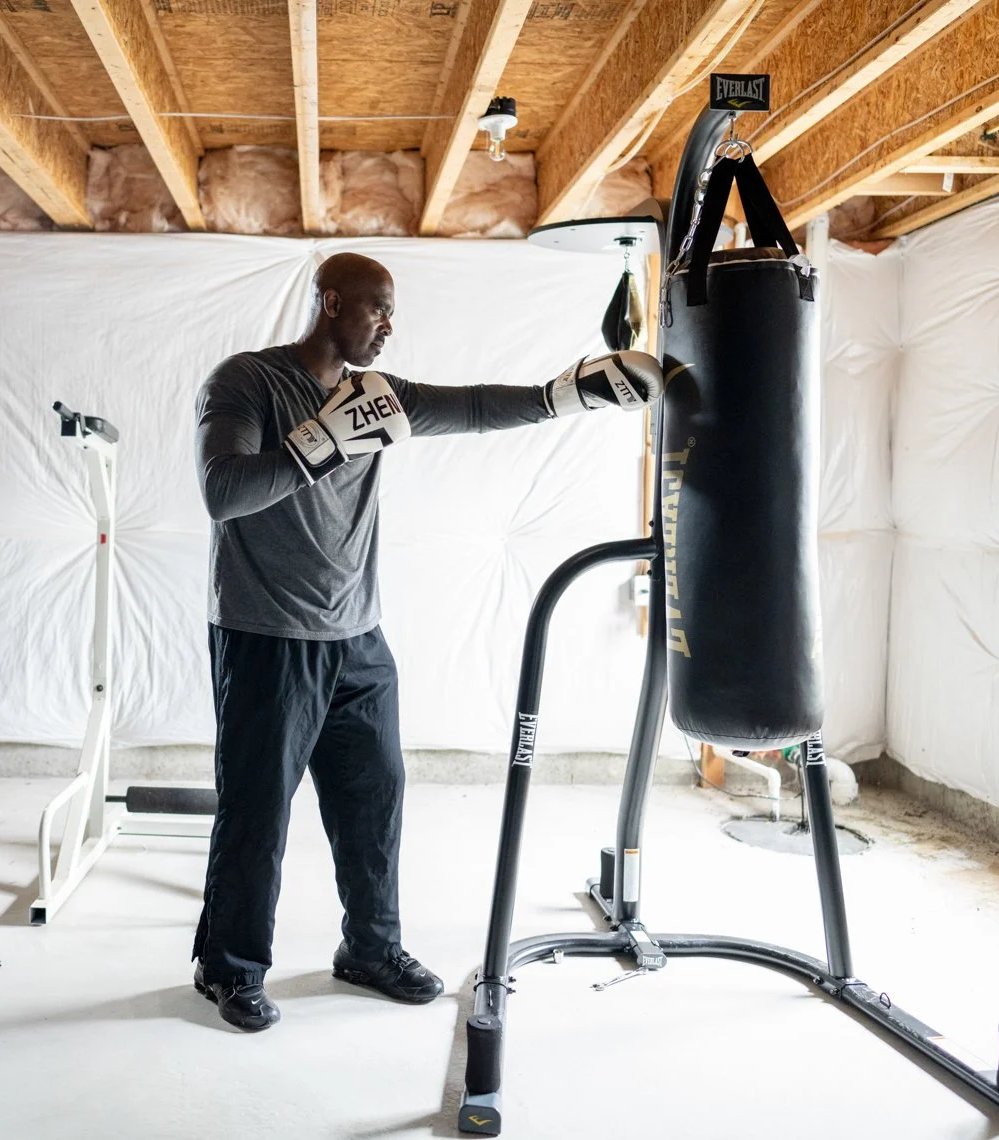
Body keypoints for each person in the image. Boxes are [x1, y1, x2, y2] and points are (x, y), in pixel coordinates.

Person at [191, 251, 661, 1031]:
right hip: (266, 632)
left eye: (392, 312)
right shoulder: (246, 381)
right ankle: (230, 968)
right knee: (259, 809)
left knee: (375, 797)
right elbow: (223, 492)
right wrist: (321, 443)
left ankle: (370, 948)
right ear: (331, 302)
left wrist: (565, 395)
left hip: (359, 635)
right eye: (375, 309)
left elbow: (471, 406)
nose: (387, 326)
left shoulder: (377, 396)